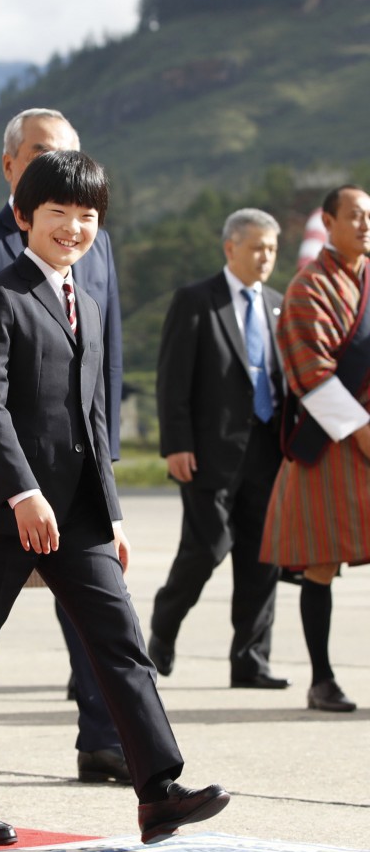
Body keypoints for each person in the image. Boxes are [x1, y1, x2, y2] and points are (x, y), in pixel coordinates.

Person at [0, 149, 230, 847]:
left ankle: (157, 791)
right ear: (23, 216)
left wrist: (113, 512)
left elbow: (94, 422)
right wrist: (23, 493)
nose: (72, 227)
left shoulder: (87, 304)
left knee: (121, 642)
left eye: (87, 215)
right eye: (57, 212)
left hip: (80, 513)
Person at [0, 108, 128, 803]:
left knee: (103, 620)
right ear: (13, 166)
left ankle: (108, 741)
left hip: (74, 485)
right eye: (43, 154)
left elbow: (101, 374)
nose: (72, 217)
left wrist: (110, 494)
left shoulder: (92, 245)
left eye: (70, 155)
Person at [149, 209, 290, 690]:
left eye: (272, 248)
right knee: (206, 549)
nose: (266, 257)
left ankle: (251, 661)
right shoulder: (197, 301)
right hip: (208, 454)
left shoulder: (278, 304)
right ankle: (163, 629)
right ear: (230, 248)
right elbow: (173, 380)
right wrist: (176, 444)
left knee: (262, 557)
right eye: (257, 247)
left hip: (269, 452)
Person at [261, 184, 370, 713]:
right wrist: (364, 432)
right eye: (354, 215)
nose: (365, 225)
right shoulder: (309, 287)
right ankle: (322, 678)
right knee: (321, 565)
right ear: (328, 222)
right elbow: (312, 374)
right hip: (332, 444)